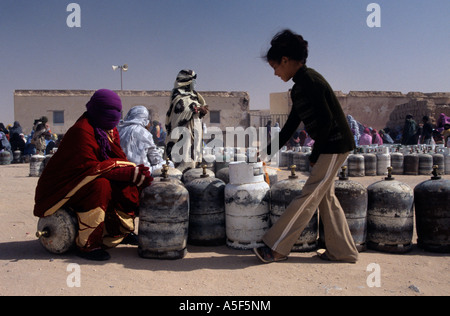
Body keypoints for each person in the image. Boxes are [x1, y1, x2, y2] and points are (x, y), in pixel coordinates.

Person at [254, 29, 358, 264]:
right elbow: (291, 125)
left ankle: (278, 247)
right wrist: (266, 153)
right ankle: (343, 252)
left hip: (334, 144)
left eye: (275, 67)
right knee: (325, 197)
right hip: (331, 145)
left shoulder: (310, 81)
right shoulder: (300, 85)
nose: (275, 73)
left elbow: (326, 121)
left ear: (286, 60)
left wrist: (316, 151)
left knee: (309, 194)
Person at [33, 89, 152, 261]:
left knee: (126, 185)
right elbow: (87, 168)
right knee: (100, 186)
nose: (115, 116)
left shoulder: (110, 131)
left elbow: (117, 158)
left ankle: (121, 232)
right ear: (97, 110)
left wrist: (130, 174)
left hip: (90, 176)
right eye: (110, 112)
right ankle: (88, 244)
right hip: (66, 187)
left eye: (117, 112)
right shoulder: (82, 131)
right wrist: (126, 171)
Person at [165, 69, 209, 171]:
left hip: (195, 127)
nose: (195, 83)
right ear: (187, 81)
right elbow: (180, 109)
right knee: (184, 155)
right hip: (183, 128)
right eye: (194, 81)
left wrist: (202, 111)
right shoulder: (177, 94)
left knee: (194, 153)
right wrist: (196, 108)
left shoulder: (195, 95)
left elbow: (200, 107)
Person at [118, 105, 171, 173]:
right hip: (141, 171)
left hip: (122, 169)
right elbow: (155, 159)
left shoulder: (119, 130)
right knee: (169, 164)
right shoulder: (145, 133)